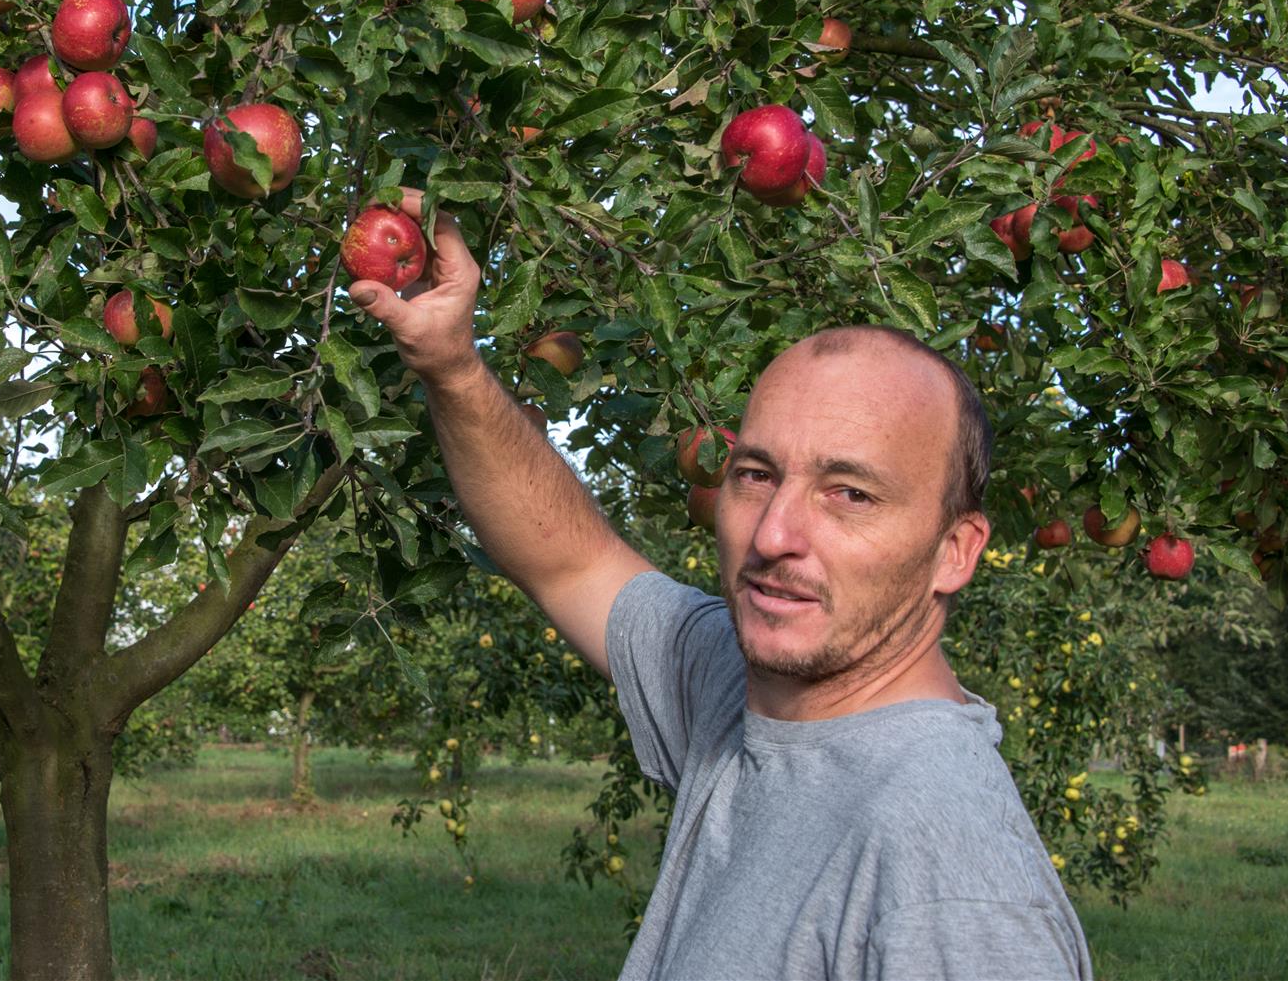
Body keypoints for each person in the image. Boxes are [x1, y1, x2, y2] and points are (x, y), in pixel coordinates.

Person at [348, 190, 1093, 981]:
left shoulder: (950, 890)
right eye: (755, 474)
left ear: (955, 550)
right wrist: (452, 365)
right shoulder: (732, 686)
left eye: (850, 493)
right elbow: (571, 559)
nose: (774, 535)